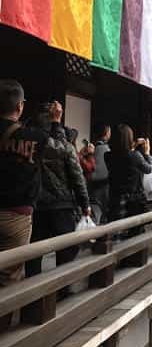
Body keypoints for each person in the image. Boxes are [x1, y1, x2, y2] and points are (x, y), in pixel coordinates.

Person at [0, 82, 66, 329]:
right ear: (19, 106)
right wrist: (56, 122)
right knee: (8, 279)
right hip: (17, 218)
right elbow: (60, 152)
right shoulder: (34, 138)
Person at [26, 104, 90, 278]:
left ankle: (33, 296)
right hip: (61, 205)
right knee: (66, 252)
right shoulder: (64, 147)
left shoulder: (27, 145)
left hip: (35, 205)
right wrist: (85, 204)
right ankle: (63, 291)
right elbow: (77, 178)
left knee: (33, 255)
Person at [106, 124, 152, 234]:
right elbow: (148, 168)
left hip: (115, 198)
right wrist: (147, 153)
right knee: (133, 232)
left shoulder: (107, 156)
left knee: (116, 231)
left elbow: (123, 153)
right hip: (132, 200)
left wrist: (133, 145)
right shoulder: (135, 155)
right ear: (129, 138)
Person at [89, 125, 111, 224]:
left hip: (92, 184)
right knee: (104, 213)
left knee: (95, 211)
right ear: (107, 134)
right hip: (104, 184)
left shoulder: (91, 147)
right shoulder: (107, 149)